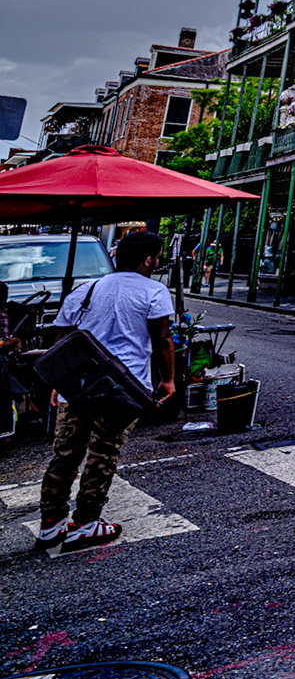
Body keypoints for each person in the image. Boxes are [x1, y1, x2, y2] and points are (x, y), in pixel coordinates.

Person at [37, 232, 176, 551]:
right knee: (103, 452)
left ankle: (51, 522)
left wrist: (59, 383)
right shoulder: (154, 291)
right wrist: (168, 380)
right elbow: (163, 338)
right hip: (122, 389)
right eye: (157, 257)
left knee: (65, 452)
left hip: (78, 385)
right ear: (149, 260)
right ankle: (86, 522)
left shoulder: (85, 290)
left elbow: (62, 340)